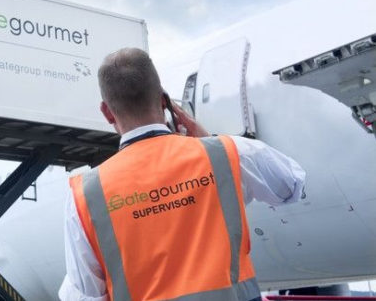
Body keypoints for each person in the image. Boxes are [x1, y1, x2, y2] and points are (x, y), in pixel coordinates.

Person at [58, 48, 305, 301]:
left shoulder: (86, 194)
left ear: (107, 112)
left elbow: (83, 295)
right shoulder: (224, 154)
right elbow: (291, 185)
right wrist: (210, 142)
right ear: (165, 102)